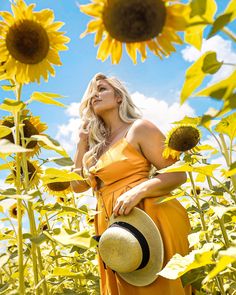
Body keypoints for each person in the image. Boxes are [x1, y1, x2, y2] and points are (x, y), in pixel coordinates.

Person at [71, 73, 192, 295]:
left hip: (151, 218)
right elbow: (76, 186)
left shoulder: (139, 128)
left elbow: (178, 174)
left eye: (101, 89)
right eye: (91, 94)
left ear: (119, 97)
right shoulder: (95, 150)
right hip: (114, 231)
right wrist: (81, 144)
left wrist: (138, 191)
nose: (94, 96)